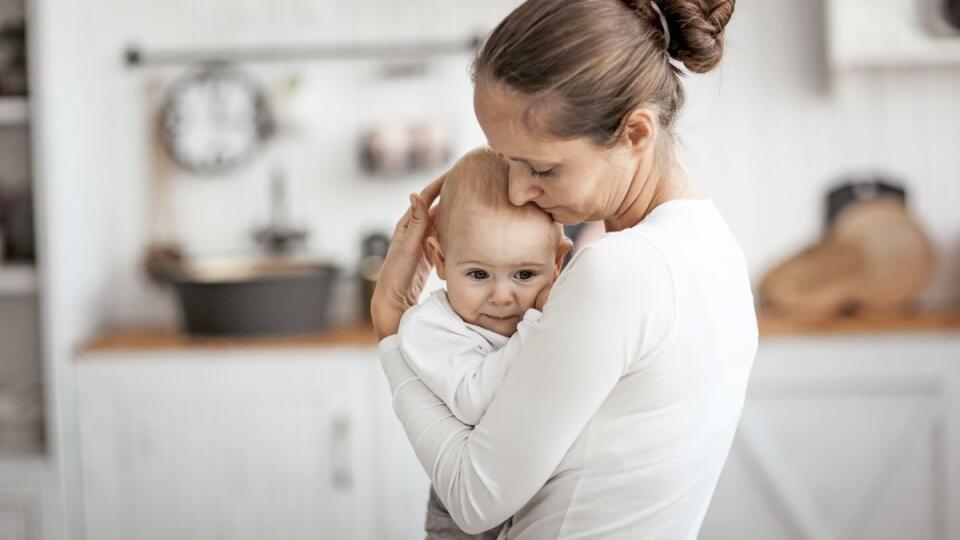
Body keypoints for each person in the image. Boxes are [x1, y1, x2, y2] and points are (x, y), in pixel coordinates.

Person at [372, 0, 758, 538]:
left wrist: (392, 332)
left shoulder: (619, 273)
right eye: (506, 159)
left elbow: (474, 497)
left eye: (542, 168)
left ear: (636, 134)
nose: (516, 190)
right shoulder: (714, 247)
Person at [398, 147, 571, 539]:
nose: (502, 296)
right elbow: (476, 400)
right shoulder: (428, 328)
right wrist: (539, 326)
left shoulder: (555, 312)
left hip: (538, 497)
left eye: (525, 274)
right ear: (439, 258)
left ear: (557, 263)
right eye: (478, 274)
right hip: (464, 518)